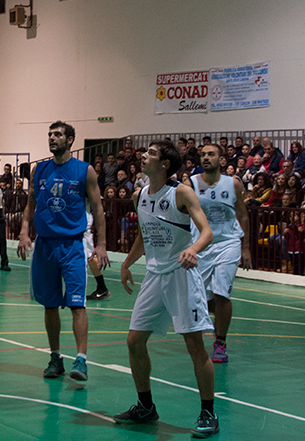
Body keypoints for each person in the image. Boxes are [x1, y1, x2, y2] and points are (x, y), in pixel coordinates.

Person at [114, 140, 218, 438]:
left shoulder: (181, 193)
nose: (143, 156)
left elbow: (206, 231)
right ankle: (145, 406)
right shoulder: (139, 196)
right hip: (154, 276)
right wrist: (126, 264)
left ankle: (209, 412)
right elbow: (145, 235)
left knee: (194, 346)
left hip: (181, 276)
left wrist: (194, 249)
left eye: (151, 153)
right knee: (134, 341)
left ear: (165, 165)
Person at [17, 122, 108, 382]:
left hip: (72, 245)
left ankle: (81, 359)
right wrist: (24, 232)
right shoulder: (40, 169)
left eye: (57, 135)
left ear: (70, 140)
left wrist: (101, 245)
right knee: (50, 305)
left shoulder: (84, 170)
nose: (52, 138)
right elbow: (30, 203)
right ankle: (55, 357)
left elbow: (98, 209)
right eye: (49, 134)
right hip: (45, 244)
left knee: (77, 304)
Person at [187, 143, 251, 364]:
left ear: (221, 159)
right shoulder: (192, 183)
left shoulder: (232, 183)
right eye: (203, 155)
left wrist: (245, 247)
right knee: (203, 298)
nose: (206, 158)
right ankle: (216, 321)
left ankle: (220, 342)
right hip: (202, 245)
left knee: (222, 293)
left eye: (211, 154)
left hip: (227, 243)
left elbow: (242, 215)